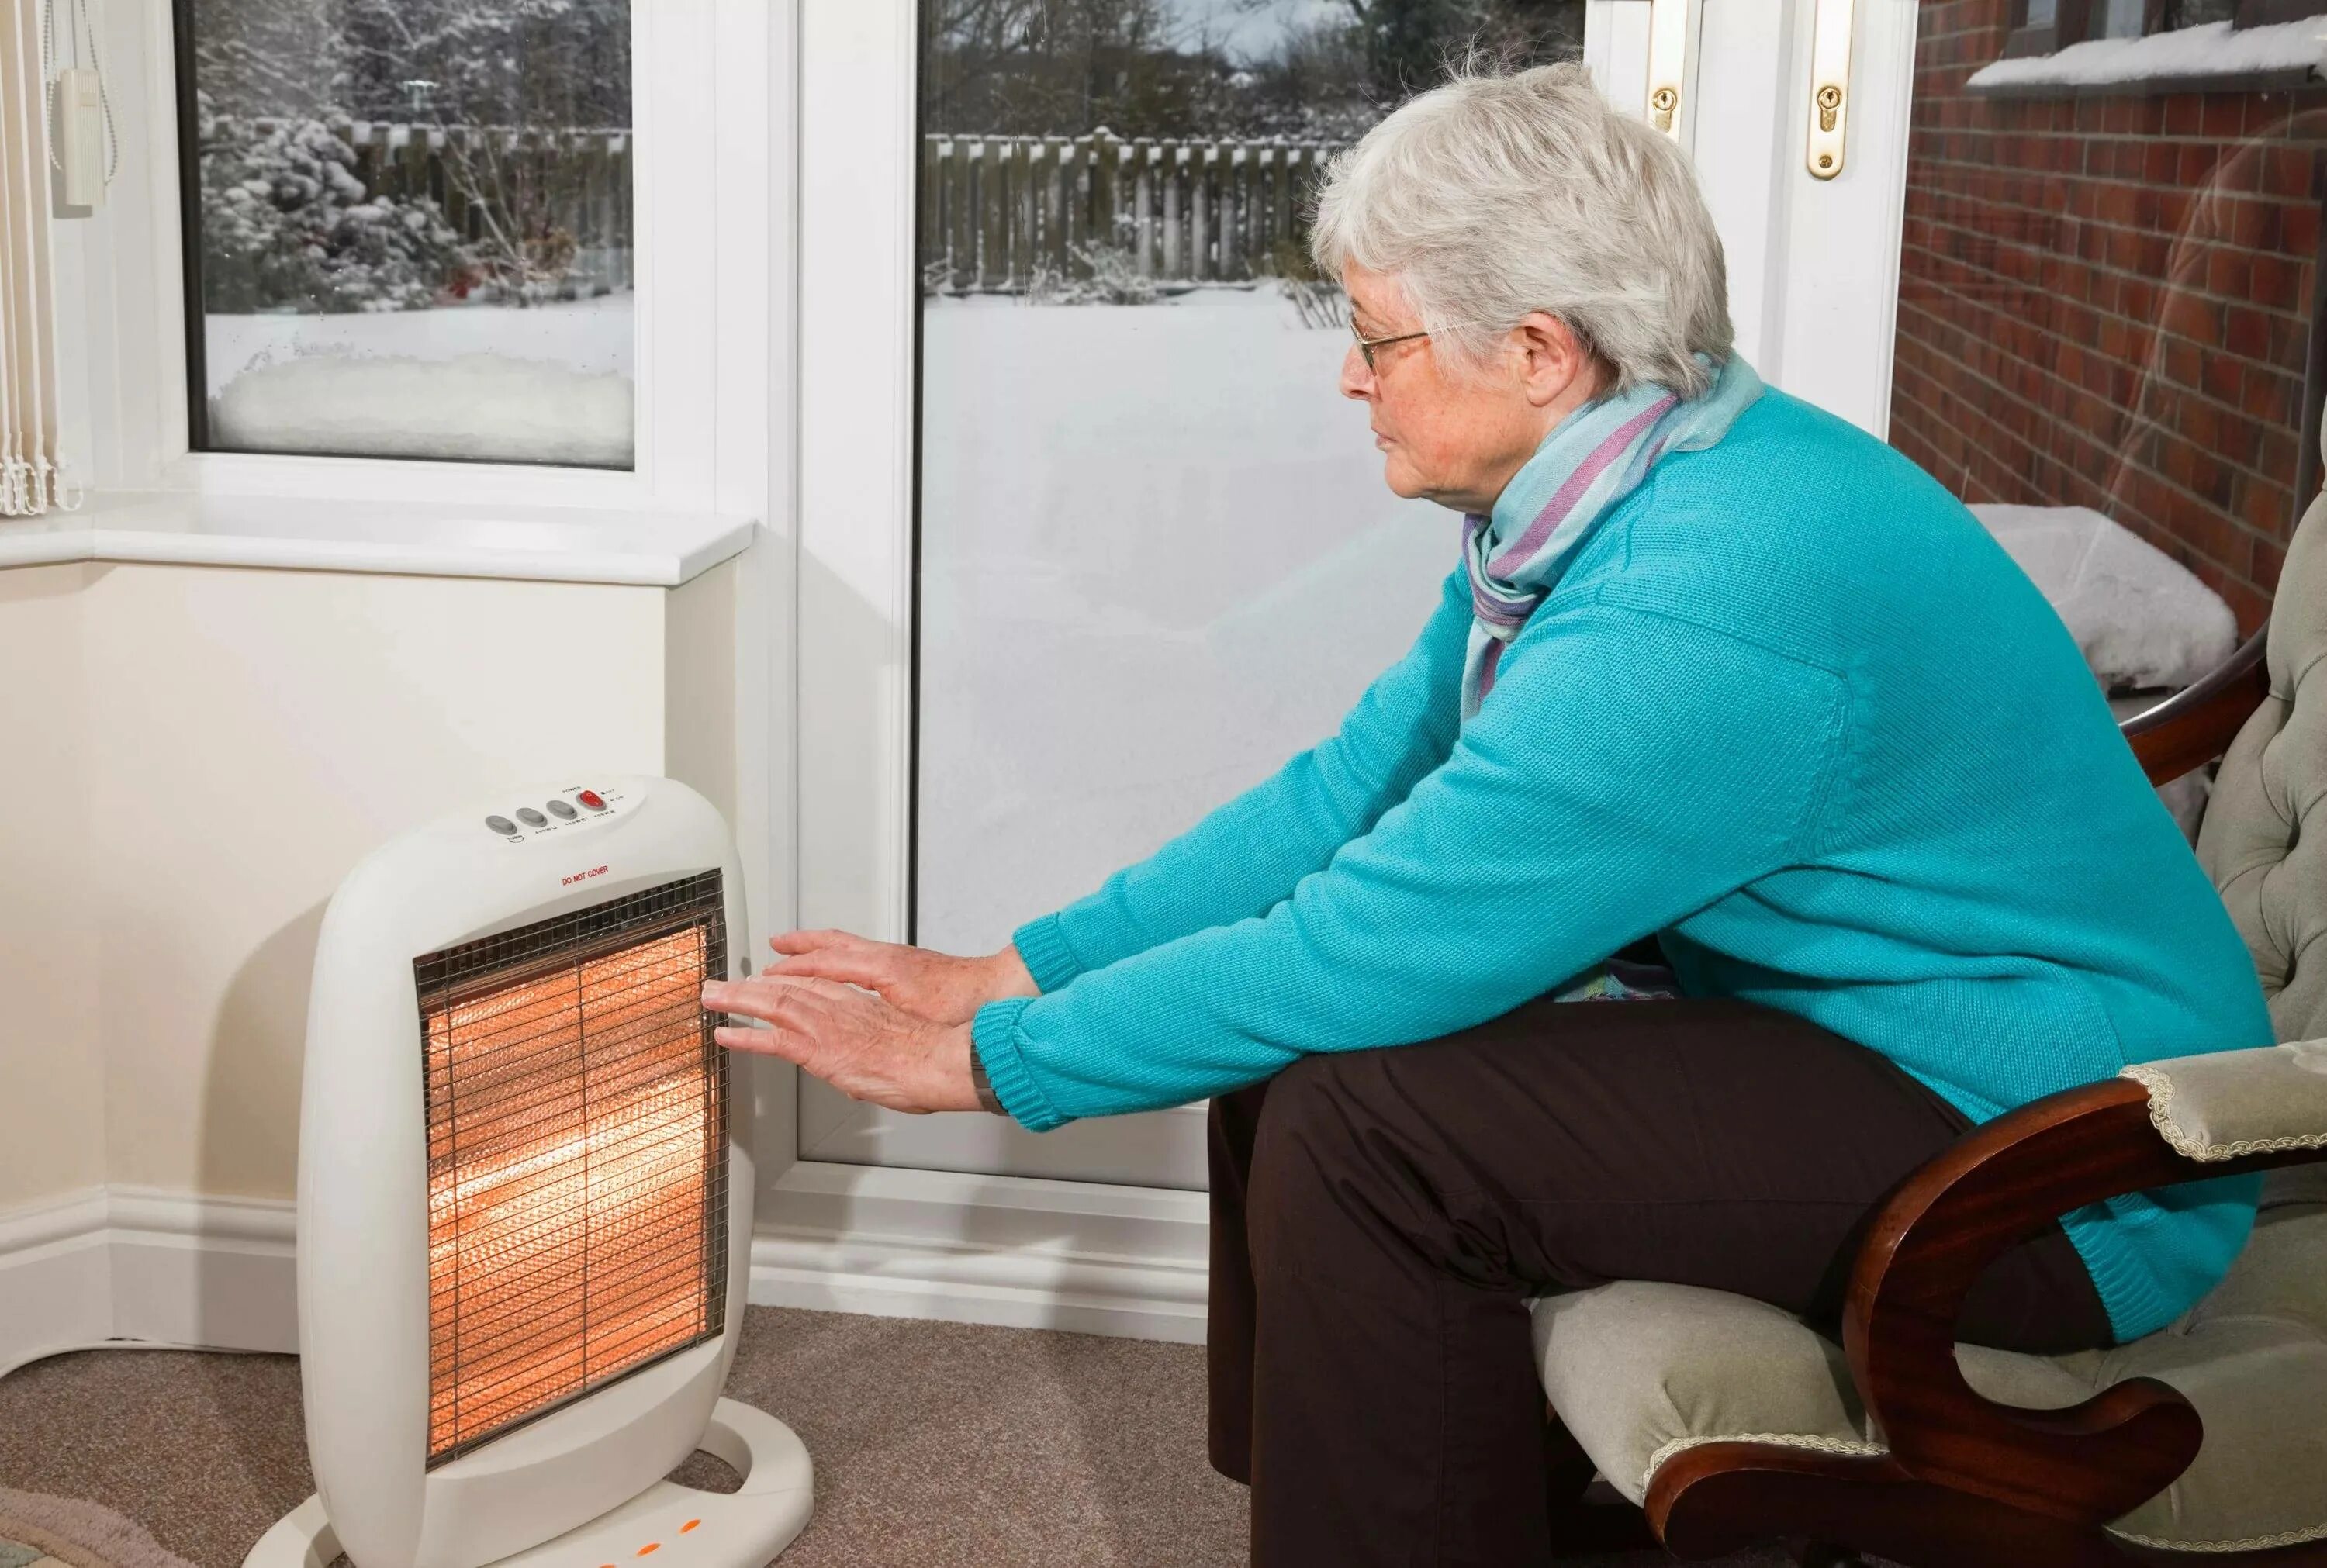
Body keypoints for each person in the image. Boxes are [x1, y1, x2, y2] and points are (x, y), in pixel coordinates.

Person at [701, 63, 2271, 1567]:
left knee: (1370, 1126)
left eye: (1377, 339)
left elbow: (1373, 943)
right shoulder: (1629, 485)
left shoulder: (1710, 601)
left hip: (2076, 1165)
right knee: (1295, 1070)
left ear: (1536, 351)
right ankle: (1385, 1506)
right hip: (1902, 1046)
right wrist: (1013, 972)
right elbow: (1353, 795)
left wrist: (989, 1065)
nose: (1348, 374)